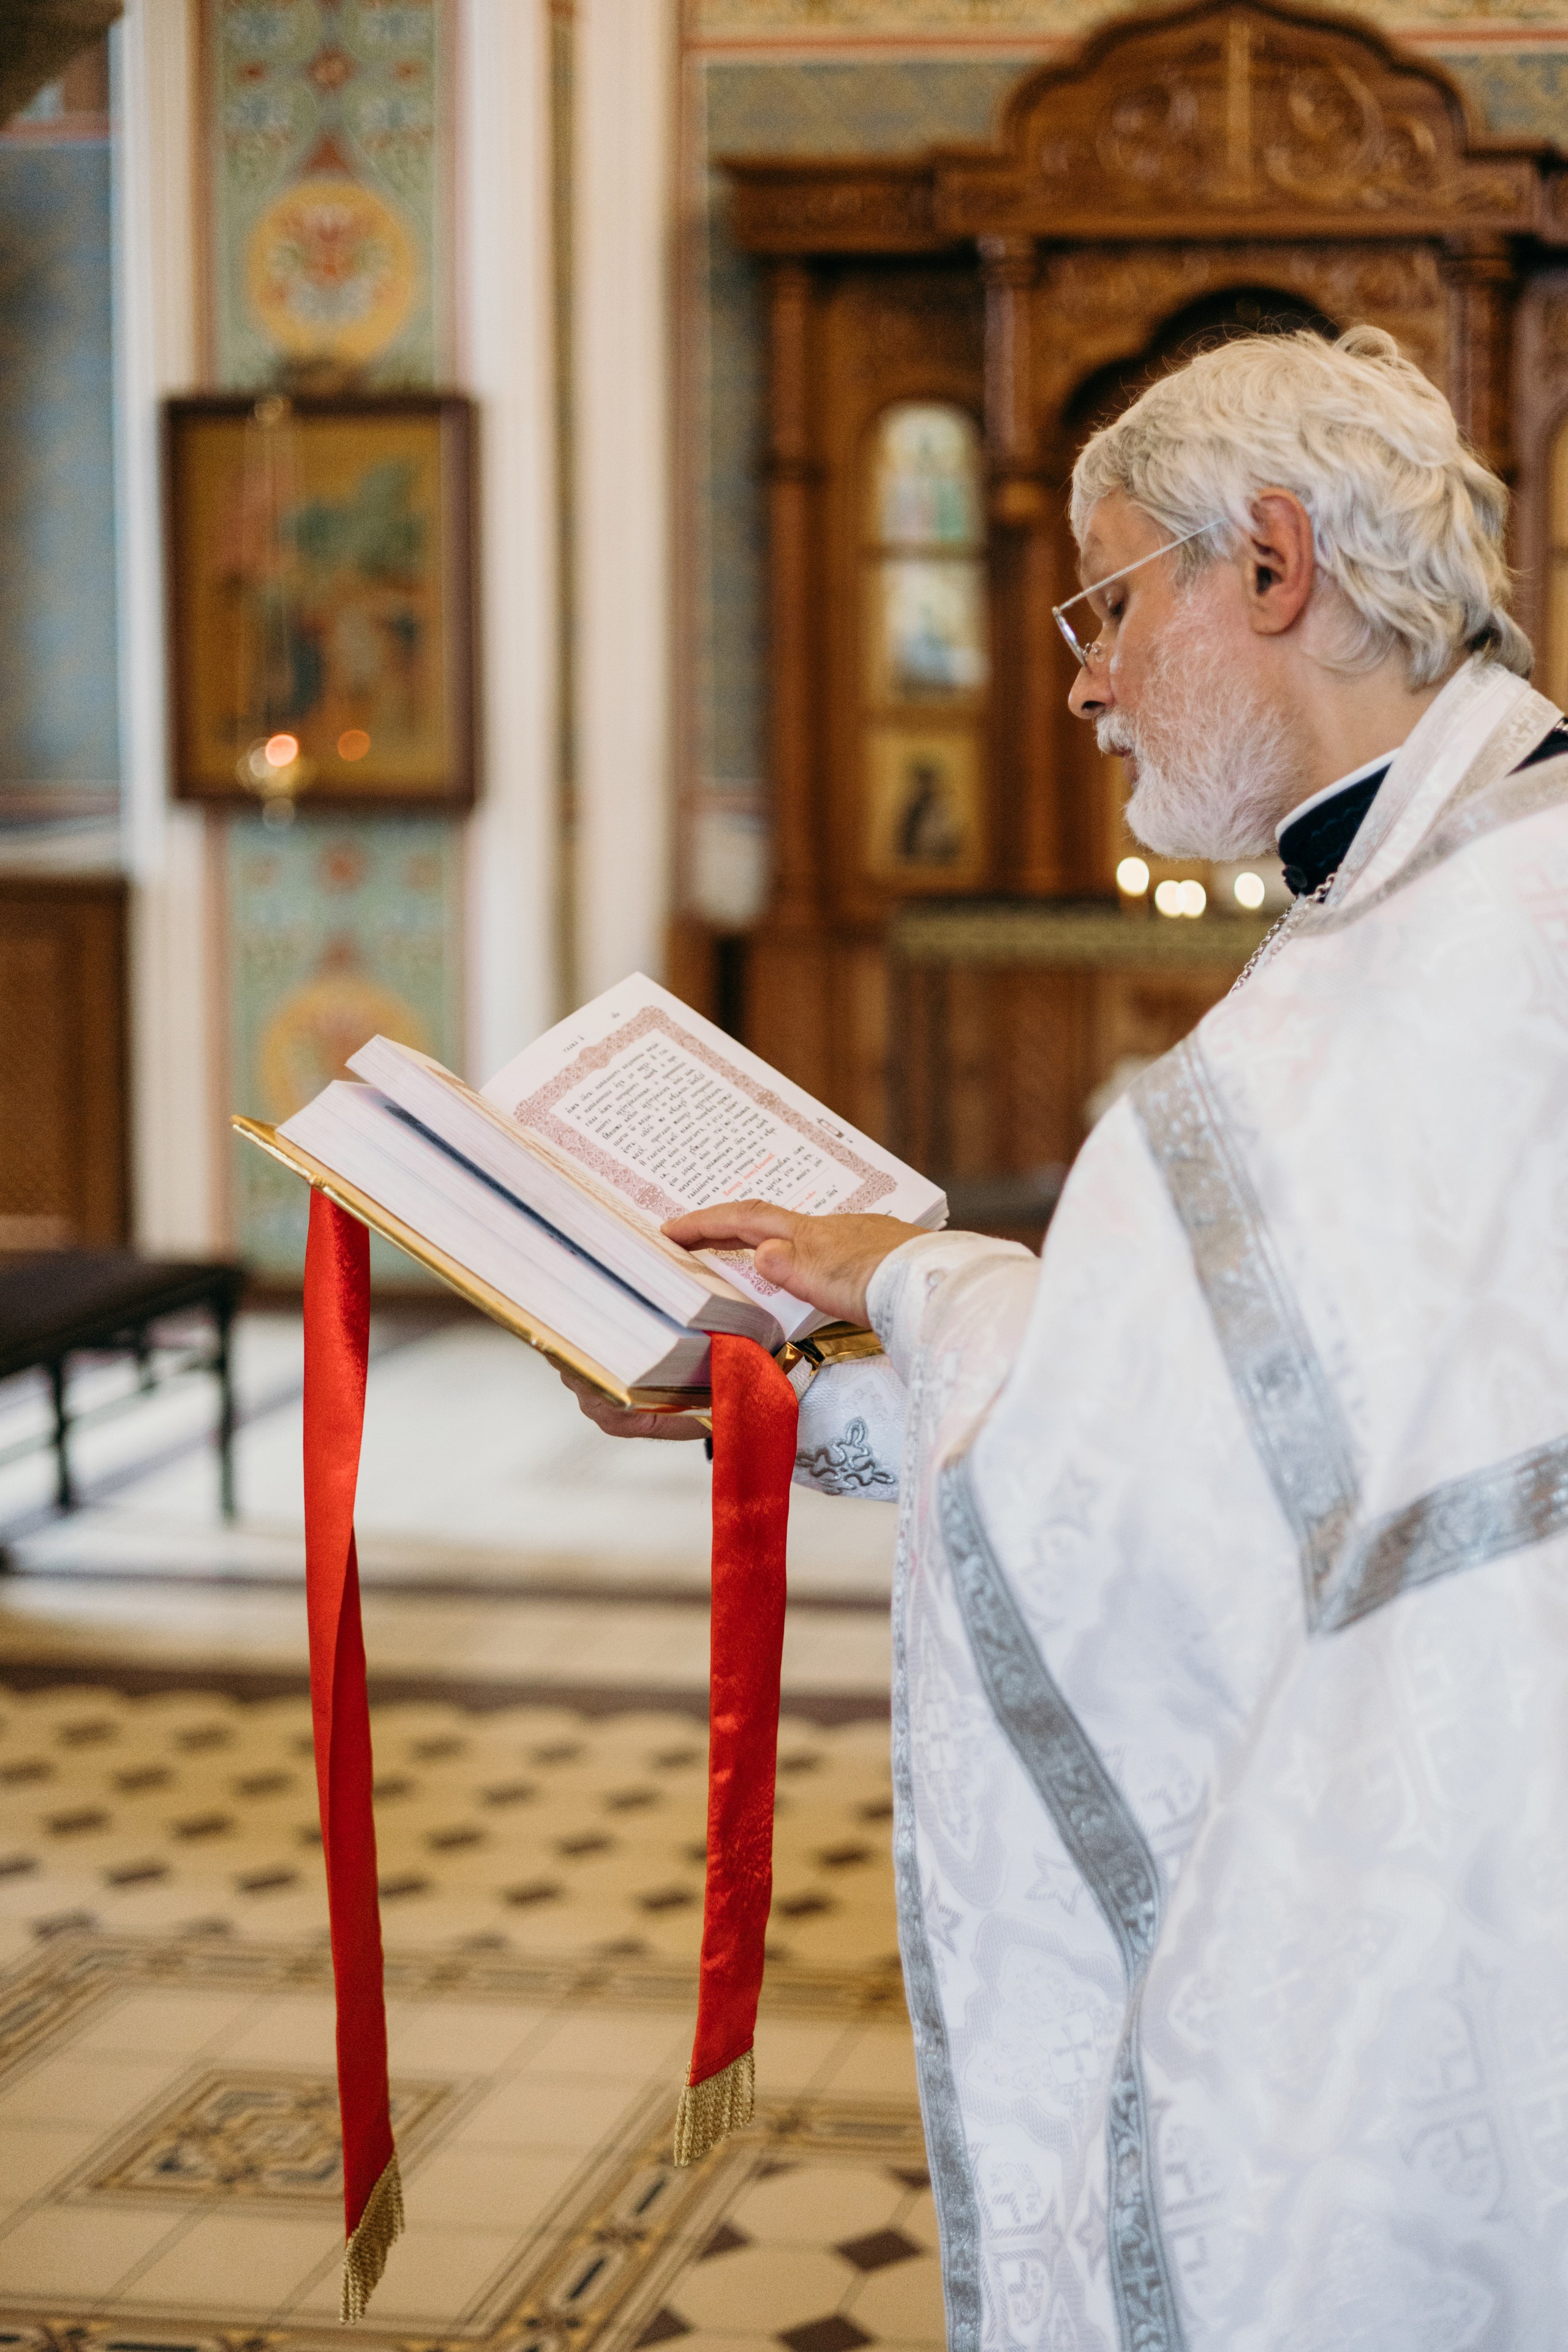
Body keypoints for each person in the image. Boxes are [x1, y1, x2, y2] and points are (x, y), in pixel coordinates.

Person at [565, 327, 1568, 2350]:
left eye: (1108, 607)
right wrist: (815, 1379)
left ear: (1270, 563)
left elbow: (1153, 1492)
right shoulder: (1469, 890)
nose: (1087, 682)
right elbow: (1227, 1431)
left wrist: (900, 1287)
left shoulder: (1447, 961)